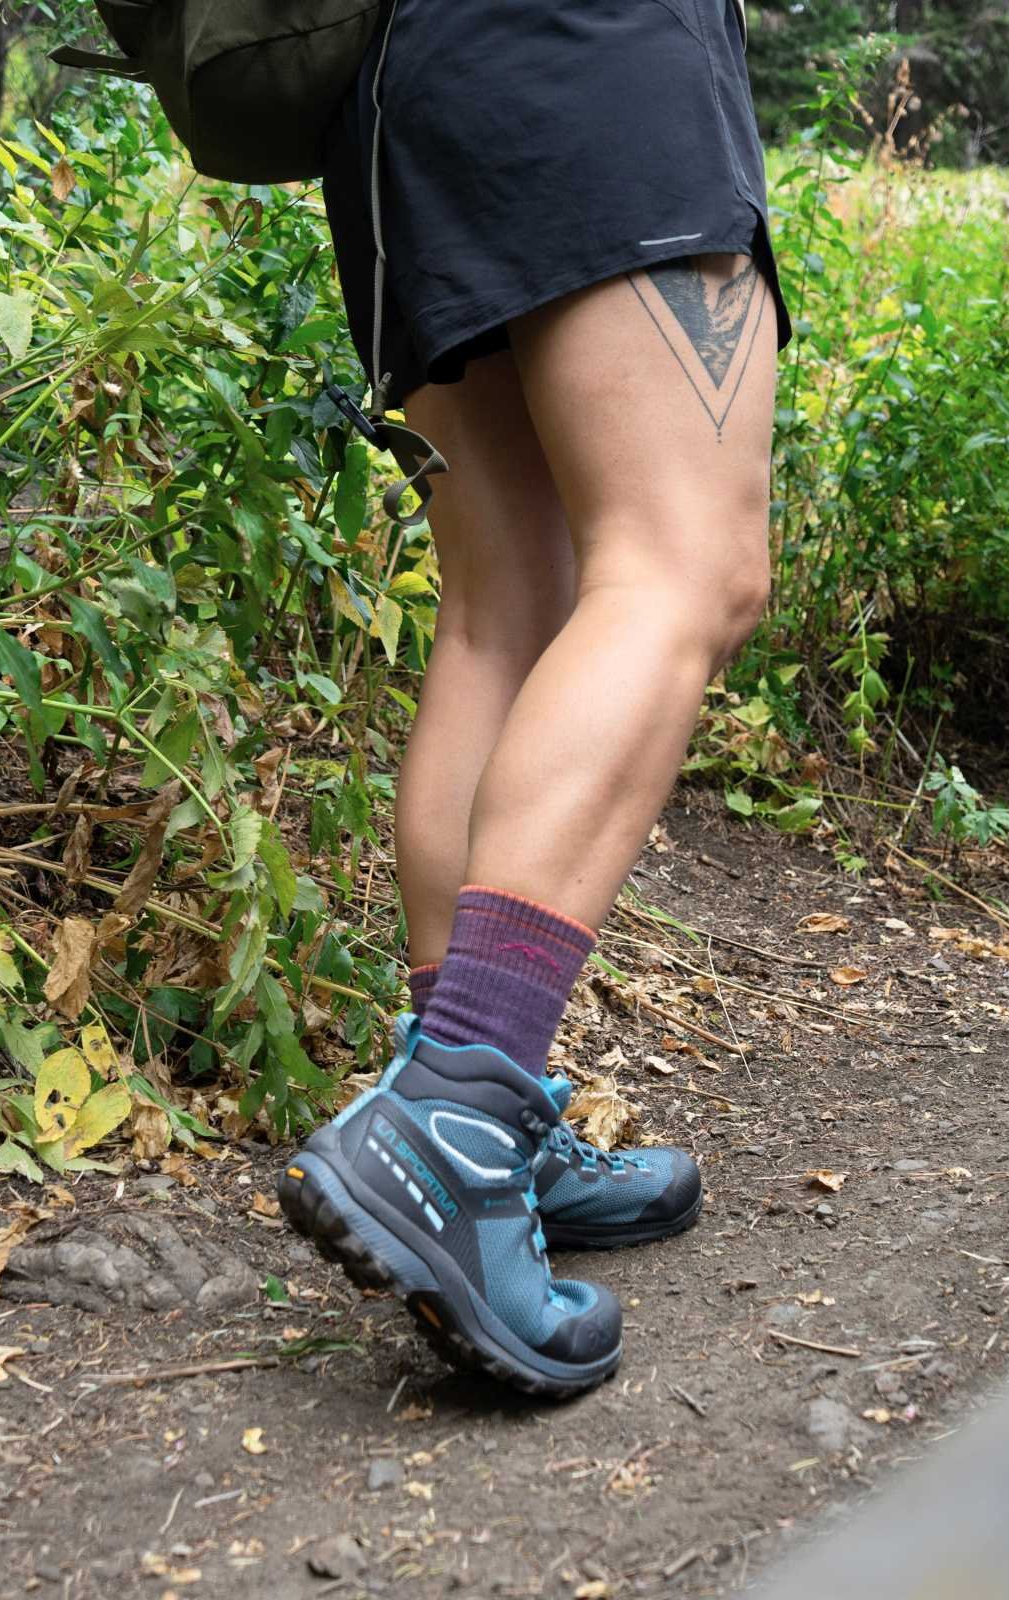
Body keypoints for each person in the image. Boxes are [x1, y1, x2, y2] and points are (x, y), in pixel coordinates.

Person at [276, 0, 790, 1398]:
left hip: (406, 99)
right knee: (687, 563)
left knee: (510, 609)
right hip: (587, 50)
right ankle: (459, 1120)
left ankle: (471, 1109)